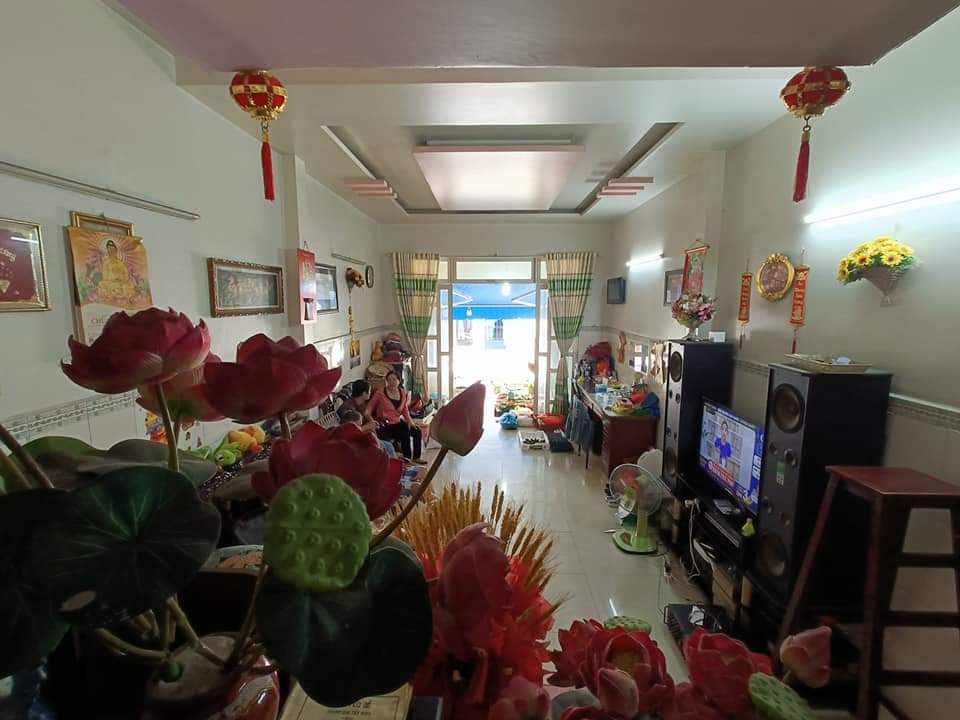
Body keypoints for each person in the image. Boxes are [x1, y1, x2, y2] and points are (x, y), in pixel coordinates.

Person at [365, 370, 425, 464]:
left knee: (417, 430)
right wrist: (372, 422)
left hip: (398, 423)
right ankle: (407, 459)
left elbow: (404, 409)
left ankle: (416, 457)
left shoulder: (402, 392)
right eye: (389, 380)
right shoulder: (380, 393)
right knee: (404, 432)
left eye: (394, 379)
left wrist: (410, 422)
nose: (391, 382)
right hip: (385, 425)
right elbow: (367, 411)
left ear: (399, 381)